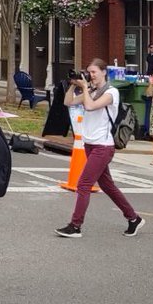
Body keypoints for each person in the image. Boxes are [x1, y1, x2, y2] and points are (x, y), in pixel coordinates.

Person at [55, 58, 144, 239]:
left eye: (94, 72)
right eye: (89, 72)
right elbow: (68, 102)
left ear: (104, 72)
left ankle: (75, 225)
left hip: (103, 146)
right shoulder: (92, 90)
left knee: (83, 184)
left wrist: (85, 87)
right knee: (107, 185)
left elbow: (89, 106)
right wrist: (74, 84)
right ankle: (133, 218)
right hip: (90, 143)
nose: (91, 76)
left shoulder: (112, 92)